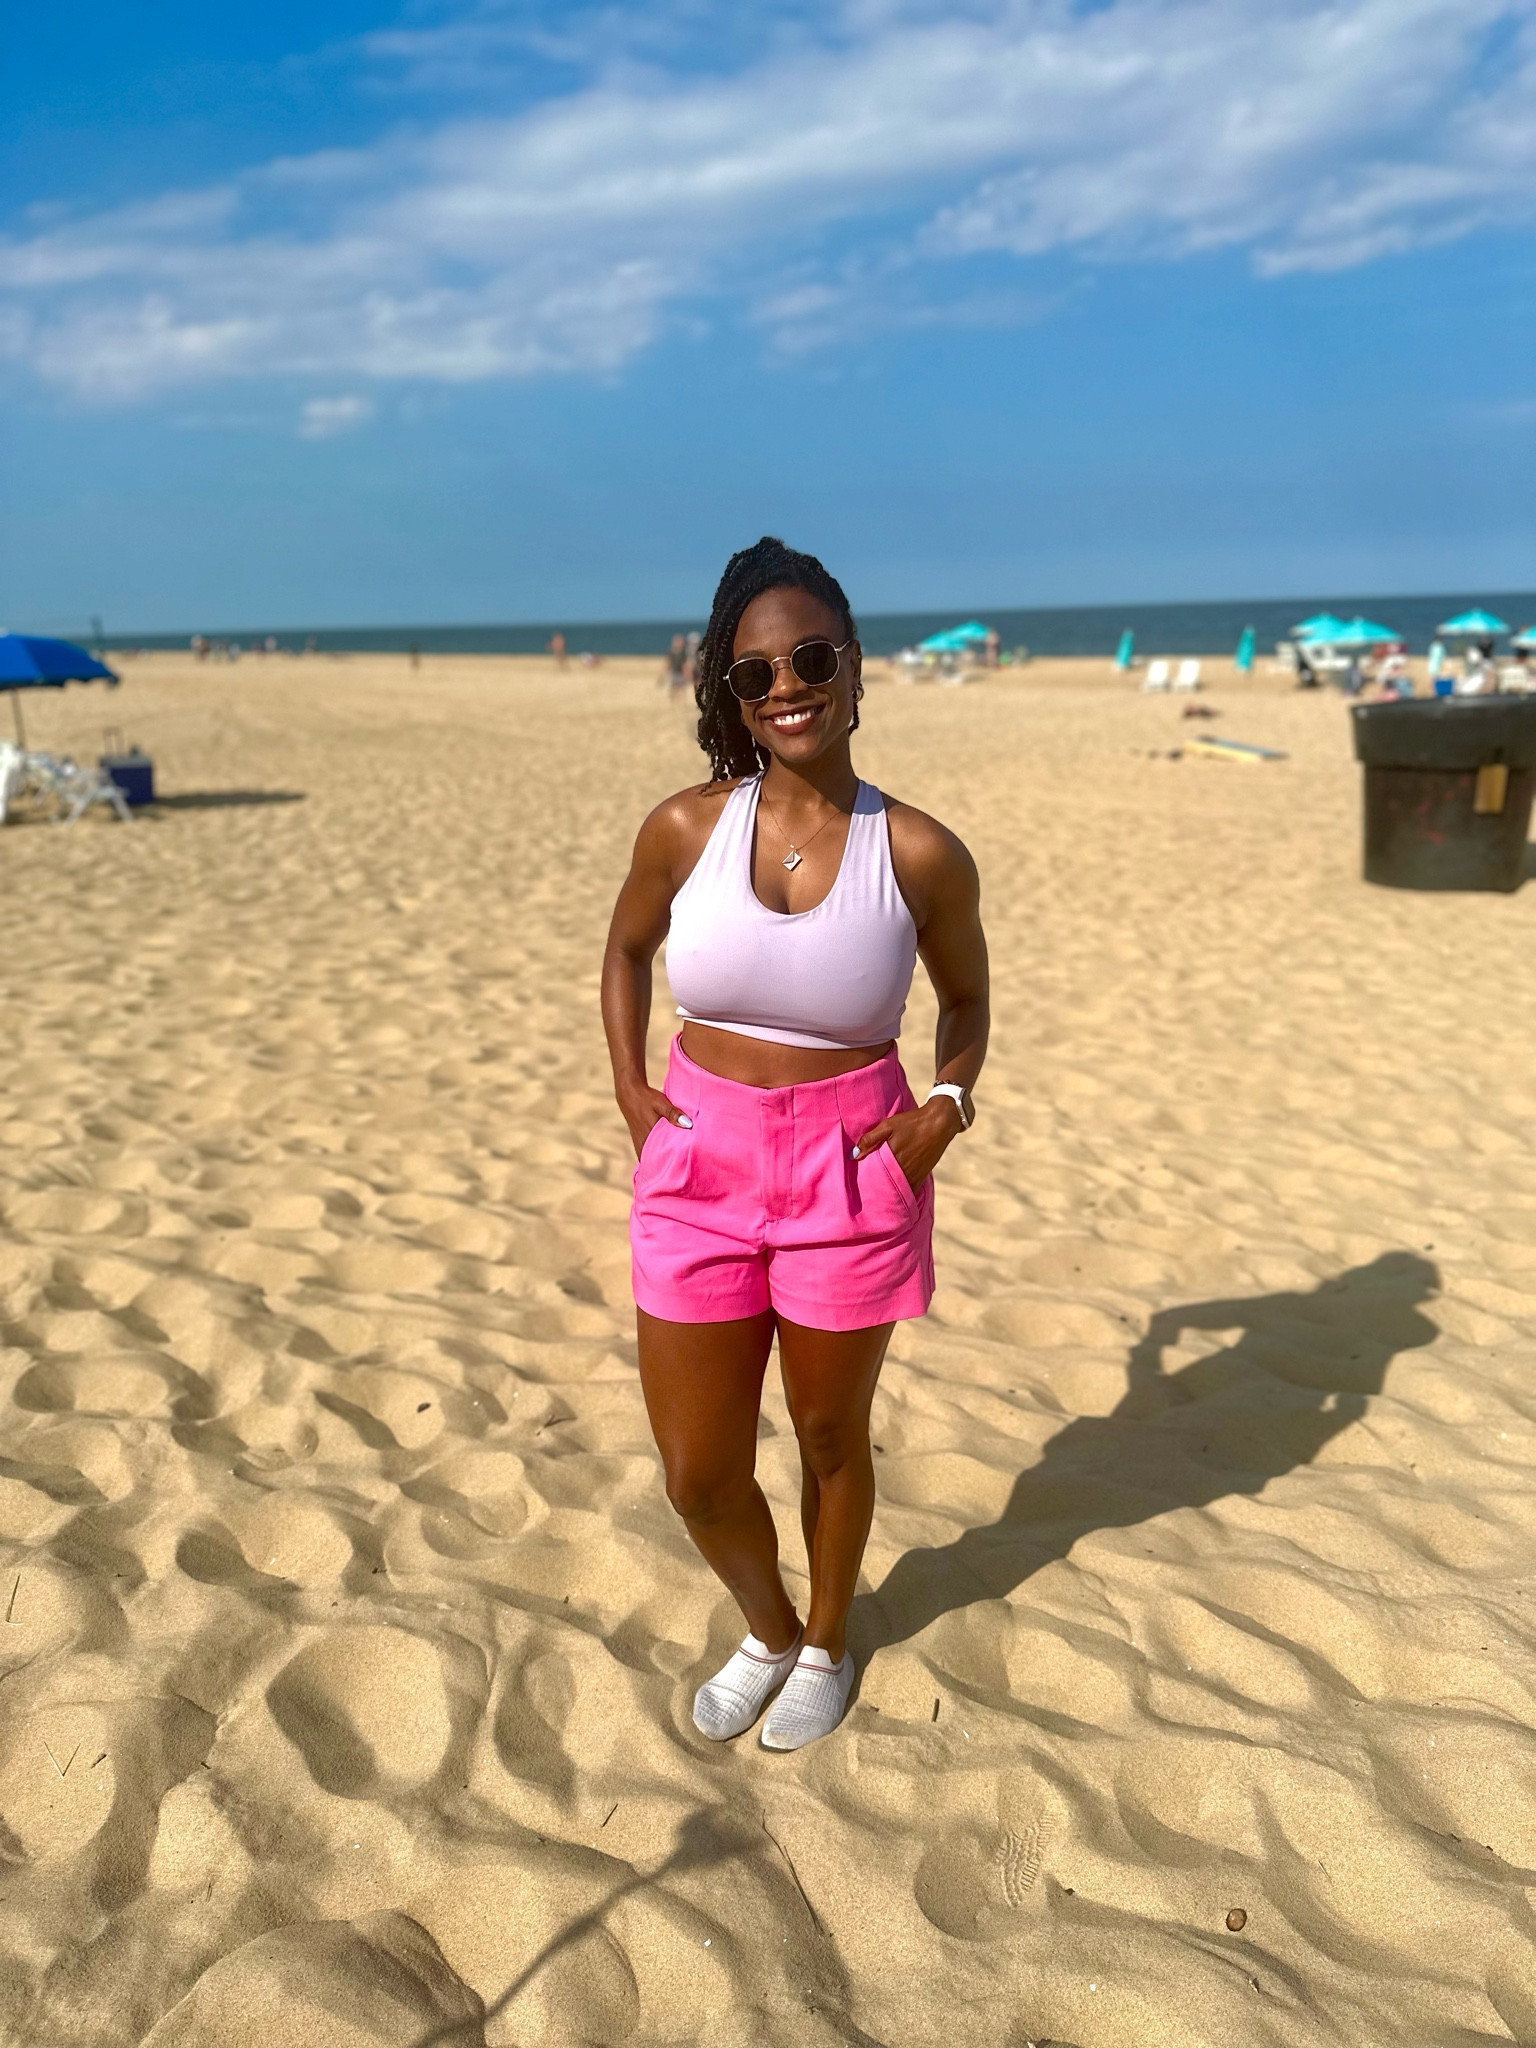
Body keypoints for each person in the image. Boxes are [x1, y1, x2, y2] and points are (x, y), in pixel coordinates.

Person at [602, 537, 989, 1751]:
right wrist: (626, 1083)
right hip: (698, 1160)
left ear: (855, 668)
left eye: (811, 657)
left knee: (830, 1436)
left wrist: (946, 1106)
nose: (787, 686)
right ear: (729, 692)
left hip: (851, 1163)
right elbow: (624, 954)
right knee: (698, 1469)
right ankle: (766, 1623)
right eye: (755, 670)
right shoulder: (681, 828)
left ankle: (825, 1640)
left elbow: (967, 1004)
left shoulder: (918, 849)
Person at [661, 633, 688, 697]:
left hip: (680, 673)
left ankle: (680, 701)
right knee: (674, 687)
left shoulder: (683, 652)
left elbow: (684, 665)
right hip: (674, 672)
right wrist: (665, 673)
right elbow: (668, 663)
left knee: (681, 688)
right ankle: (674, 701)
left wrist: (686, 674)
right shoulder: (671, 652)